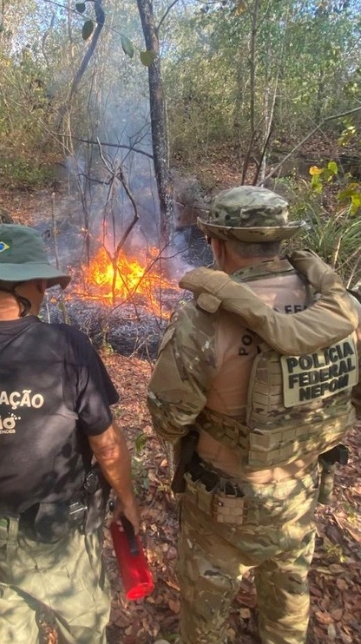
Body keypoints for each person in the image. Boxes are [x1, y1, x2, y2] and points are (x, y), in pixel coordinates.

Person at [147, 185, 361, 644]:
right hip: (300, 493)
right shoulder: (342, 311)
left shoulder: (204, 320)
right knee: (288, 596)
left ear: (217, 243)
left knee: (206, 617)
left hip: (225, 509)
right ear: (280, 239)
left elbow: (167, 421)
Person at [0, 223, 140, 644]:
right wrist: (126, 499)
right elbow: (106, 446)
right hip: (62, 537)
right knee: (83, 629)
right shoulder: (67, 347)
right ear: (34, 285)